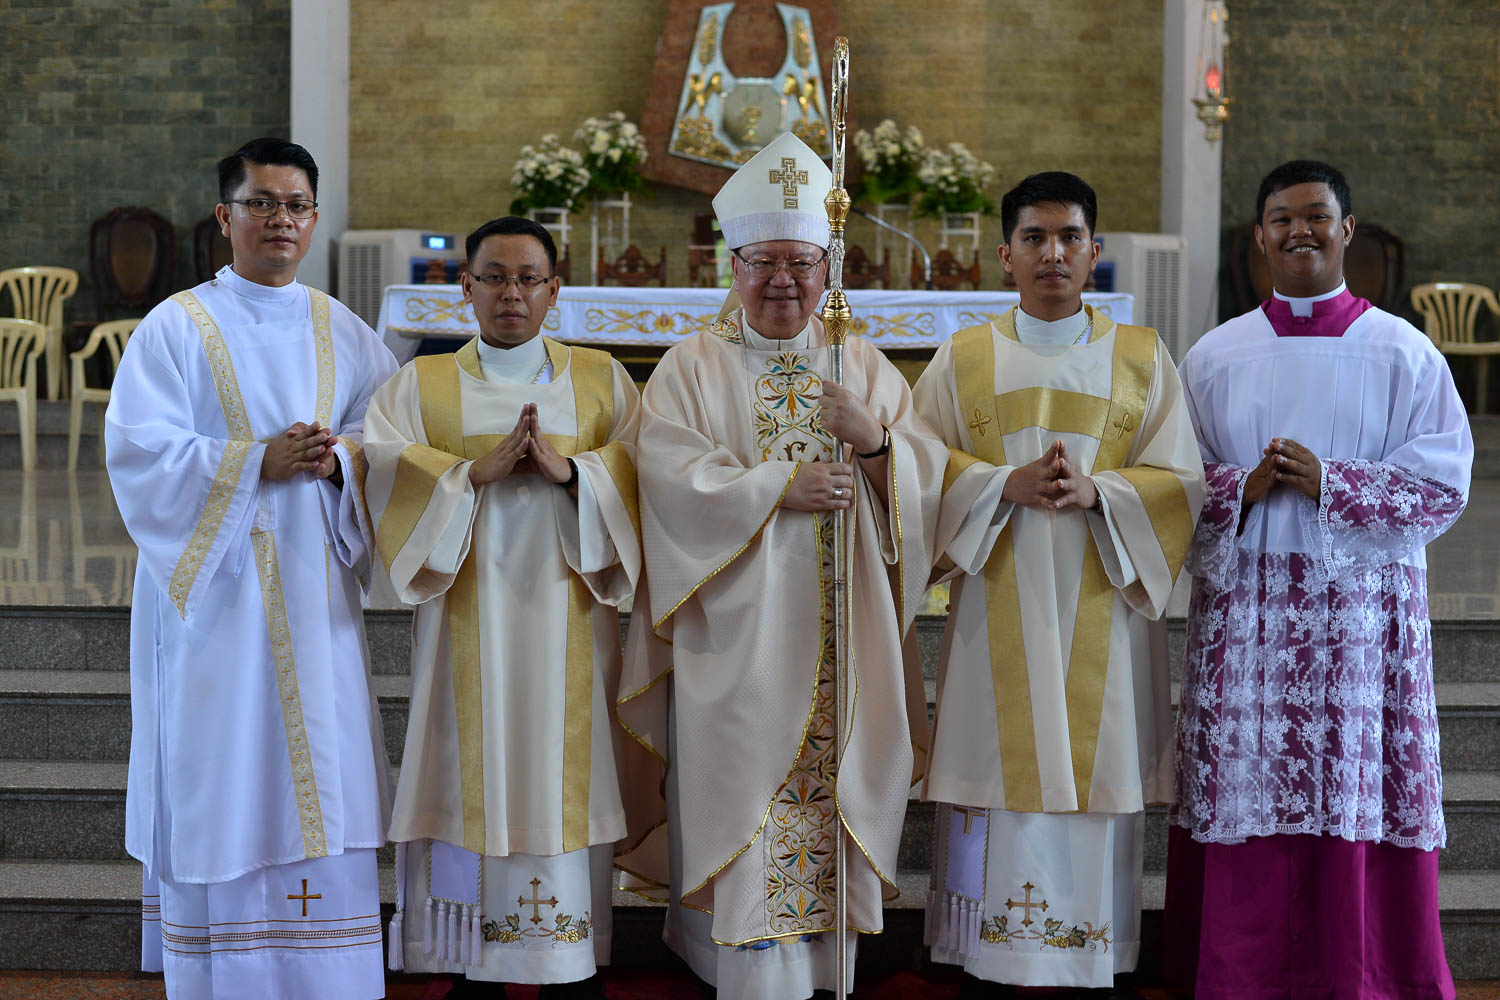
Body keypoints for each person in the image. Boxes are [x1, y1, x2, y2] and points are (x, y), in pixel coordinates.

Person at [613, 131, 947, 1000]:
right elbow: (667, 475)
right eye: (764, 262)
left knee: (826, 790)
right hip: (739, 639)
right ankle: (745, 969)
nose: (783, 282)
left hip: (845, 634)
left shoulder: (860, 363)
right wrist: (776, 489)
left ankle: (820, 963)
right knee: (741, 792)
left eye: (800, 262)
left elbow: (924, 477)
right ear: (733, 264)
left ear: (827, 267)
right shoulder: (692, 366)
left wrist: (877, 446)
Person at [1165, 160, 1472, 999]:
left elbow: (1444, 482)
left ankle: (1368, 976)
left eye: (1316, 217)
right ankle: (1242, 976)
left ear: (1348, 229)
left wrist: (1332, 482)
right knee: (1249, 784)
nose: (1299, 231)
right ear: (1259, 237)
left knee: (1353, 785)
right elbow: (1169, 483)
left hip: (1364, 628)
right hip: (1249, 623)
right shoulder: (1214, 356)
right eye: (1281, 219)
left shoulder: (1405, 352)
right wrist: (1242, 486)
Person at [105, 137, 397, 999]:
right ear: (224, 217)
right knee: (219, 764)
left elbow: (389, 440)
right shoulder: (176, 327)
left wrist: (340, 458)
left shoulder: (344, 329)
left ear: (314, 219)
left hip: (313, 596)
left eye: (296, 205)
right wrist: (249, 464)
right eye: (262, 203)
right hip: (215, 605)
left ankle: (328, 977)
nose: (281, 220)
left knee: (324, 763)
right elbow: (138, 452)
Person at [912, 171, 1204, 993]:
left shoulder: (1142, 357)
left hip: (1101, 604)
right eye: (1035, 238)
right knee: (991, 772)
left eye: (1070, 237)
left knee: (1091, 769)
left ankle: (1086, 952)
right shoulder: (962, 358)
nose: (1053, 253)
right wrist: (996, 485)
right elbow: (911, 471)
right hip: (993, 603)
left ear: (1095, 253)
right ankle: (980, 953)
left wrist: (1100, 492)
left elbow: (1183, 481)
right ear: (1004, 255)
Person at [364, 216, 641, 999]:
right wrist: (468, 477)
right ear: (465, 288)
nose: (511, 293)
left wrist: (572, 475)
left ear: (556, 289)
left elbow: (641, 471)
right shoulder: (417, 385)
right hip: (464, 622)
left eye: (528, 278)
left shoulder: (601, 379)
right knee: (467, 760)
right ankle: (470, 957)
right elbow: (383, 468)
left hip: (570, 620)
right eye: (493, 277)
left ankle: (566, 956)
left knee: (564, 765)